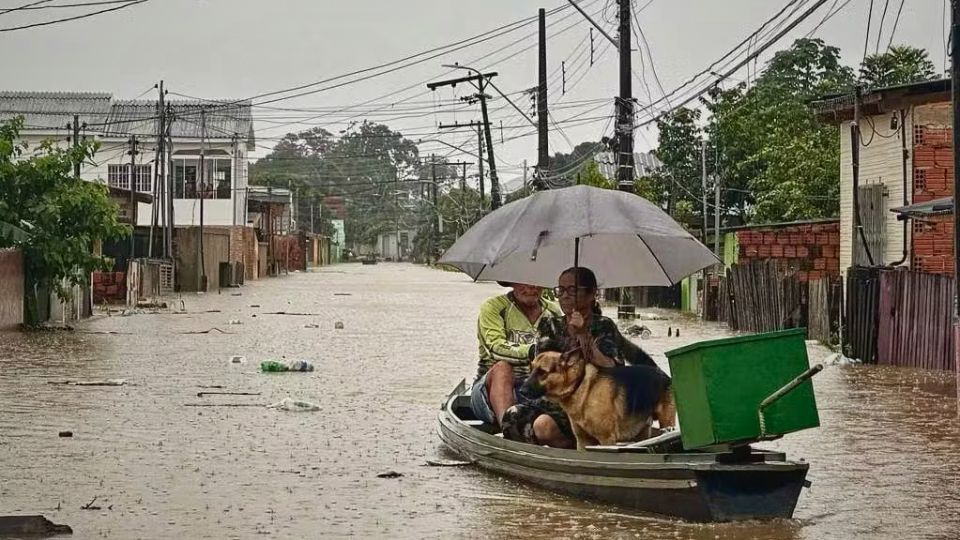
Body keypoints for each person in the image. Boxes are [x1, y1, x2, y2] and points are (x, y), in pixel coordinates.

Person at [535, 266, 676, 430]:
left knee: (545, 426)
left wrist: (583, 335)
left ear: (591, 293)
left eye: (572, 290)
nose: (565, 296)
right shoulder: (549, 325)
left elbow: (613, 369)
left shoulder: (603, 326)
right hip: (557, 399)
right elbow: (541, 369)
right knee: (515, 417)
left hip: (595, 403)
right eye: (561, 290)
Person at [470, 282, 572, 447]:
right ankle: (509, 431)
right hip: (490, 389)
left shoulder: (553, 312)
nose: (531, 288)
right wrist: (533, 350)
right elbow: (495, 347)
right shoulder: (493, 307)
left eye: (536, 282)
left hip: (533, 388)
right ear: (512, 283)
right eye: (524, 282)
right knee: (503, 367)